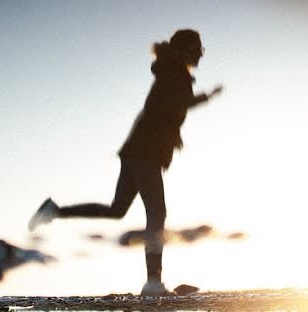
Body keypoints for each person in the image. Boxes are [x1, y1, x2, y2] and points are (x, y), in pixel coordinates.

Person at [27, 29, 223, 296]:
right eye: (197, 48)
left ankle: (55, 211)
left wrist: (174, 131)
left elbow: (165, 108)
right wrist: (205, 98)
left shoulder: (172, 71)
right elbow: (172, 104)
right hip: (145, 153)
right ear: (185, 50)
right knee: (157, 213)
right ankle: (153, 282)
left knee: (118, 209)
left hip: (138, 151)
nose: (200, 53)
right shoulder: (175, 73)